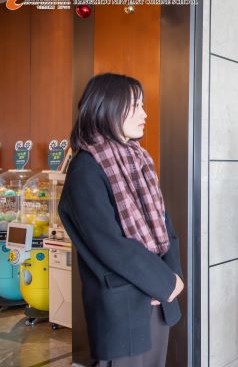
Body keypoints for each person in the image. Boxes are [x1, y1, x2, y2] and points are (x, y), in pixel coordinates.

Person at [58, 73, 184, 367]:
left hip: (159, 299)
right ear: (107, 107)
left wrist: (173, 279)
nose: (145, 114)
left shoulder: (139, 160)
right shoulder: (86, 169)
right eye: (136, 106)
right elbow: (109, 244)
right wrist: (163, 282)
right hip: (124, 308)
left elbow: (165, 225)